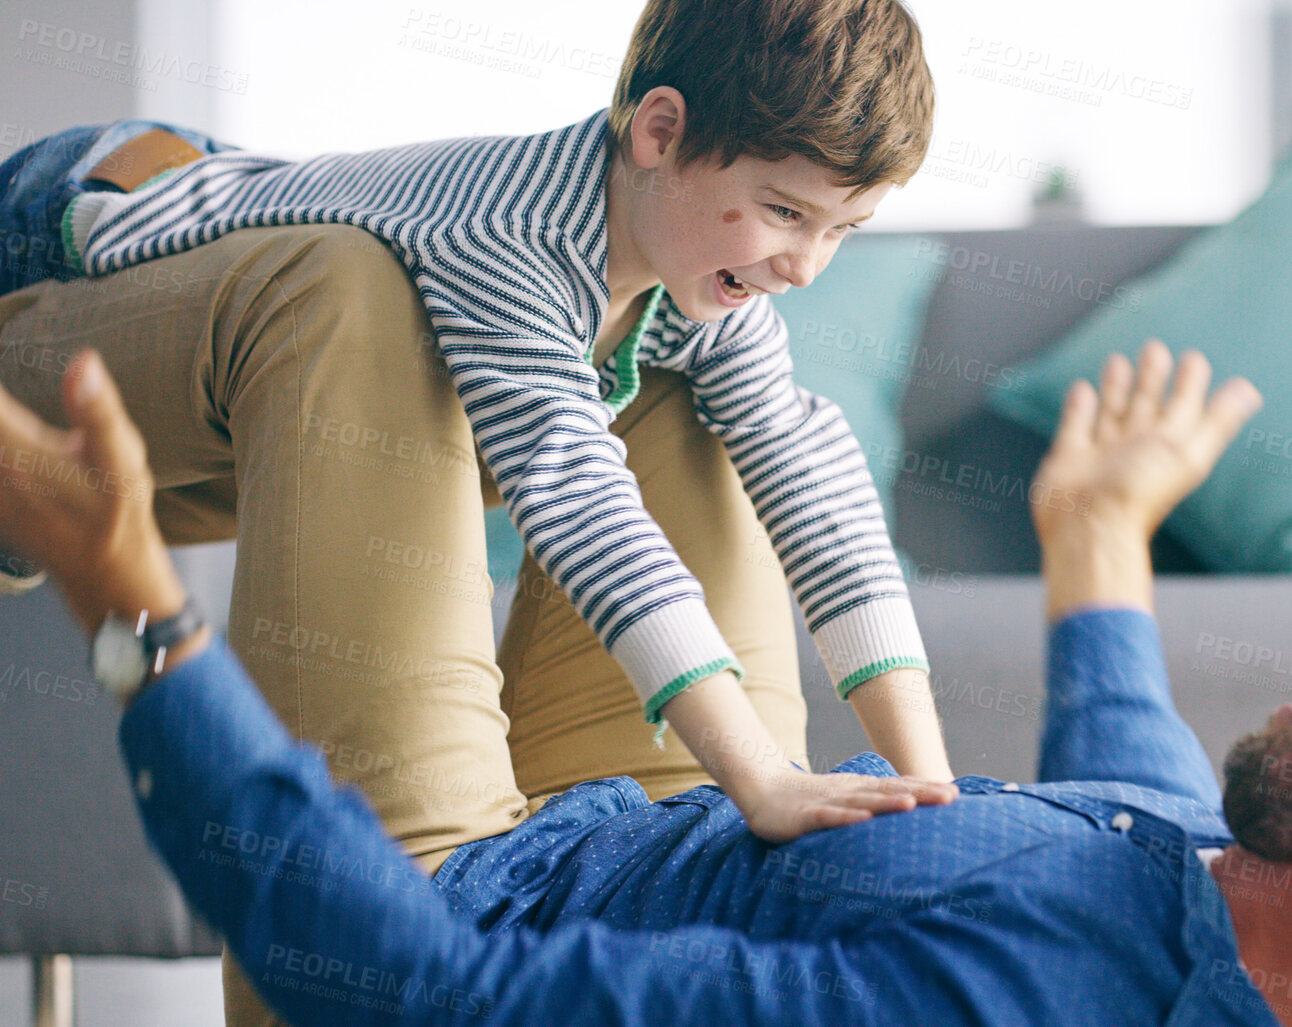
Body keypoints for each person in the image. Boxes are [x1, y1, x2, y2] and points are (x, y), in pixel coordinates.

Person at [0, 338, 1292, 1026]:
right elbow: (1133, 783)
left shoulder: (997, 1003)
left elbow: (431, 998)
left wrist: (138, 611)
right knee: (685, 353)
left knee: (358, 315)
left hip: (448, 880)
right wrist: (1096, 532)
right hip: (685, 805)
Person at [0, 2, 951, 1020]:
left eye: (841, 230)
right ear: (659, 131)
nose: (804, 265)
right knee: (349, 281)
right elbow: (578, 499)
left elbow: (811, 476)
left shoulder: (698, 276)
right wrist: (757, 774)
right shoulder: (510, 236)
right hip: (87, 216)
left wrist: (930, 787)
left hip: (268, 411)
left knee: (721, 416)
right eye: (782, 212)